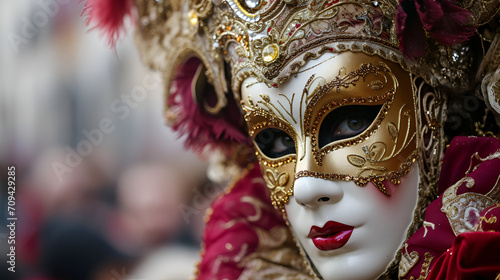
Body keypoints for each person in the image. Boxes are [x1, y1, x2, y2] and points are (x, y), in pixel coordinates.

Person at [82, 0, 500, 279]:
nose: (305, 187)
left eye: (350, 121)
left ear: (431, 111)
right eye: (276, 142)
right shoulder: (250, 262)